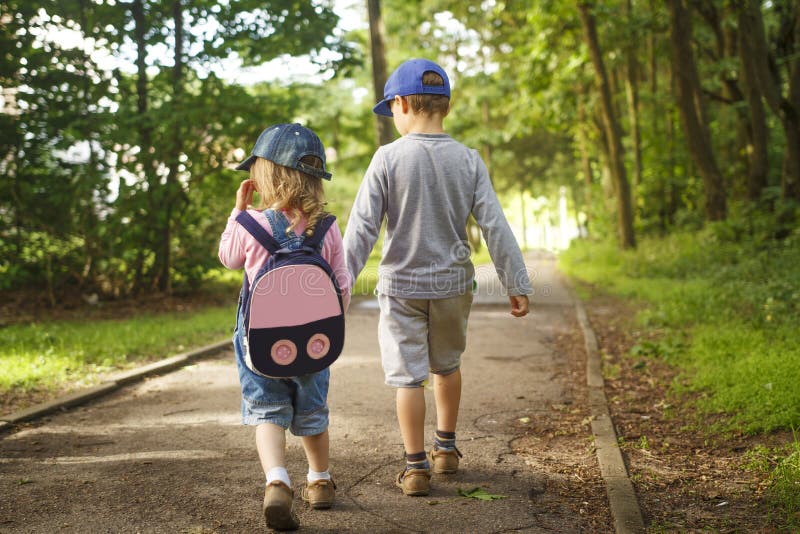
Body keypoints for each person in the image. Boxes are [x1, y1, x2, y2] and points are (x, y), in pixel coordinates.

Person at [343, 58, 532, 497]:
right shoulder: (468, 160)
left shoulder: (387, 158)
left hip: (401, 287)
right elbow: (495, 225)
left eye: (390, 109)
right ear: (444, 106)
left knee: (408, 377)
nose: (392, 117)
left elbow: (362, 228)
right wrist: (516, 281)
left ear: (404, 103)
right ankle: (446, 449)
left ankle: (415, 468)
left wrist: (340, 286)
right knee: (446, 366)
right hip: (452, 286)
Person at [219, 123, 351, 530]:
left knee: (267, 412)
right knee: (312, 412)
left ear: (263, 177)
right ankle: (321, 480)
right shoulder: (326, 227)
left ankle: (277, 480)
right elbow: (342, 283)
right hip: (314, 342)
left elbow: (228, 259)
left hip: (261, 344)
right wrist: (328, 325)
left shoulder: (250, 225)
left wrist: (238, 212)